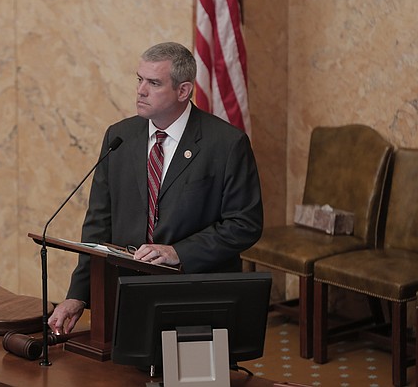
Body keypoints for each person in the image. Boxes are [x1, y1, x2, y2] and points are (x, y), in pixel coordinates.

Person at [48, 42, 263, 335]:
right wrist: (78, 294)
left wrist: (179, 252)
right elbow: (98, 224)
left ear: (183, 91)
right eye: (139, 80)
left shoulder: (226, 144)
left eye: (154, 83)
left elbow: (245, 224)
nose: (140, 90)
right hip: (125, 293)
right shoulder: (119, 137)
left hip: (193, 291)